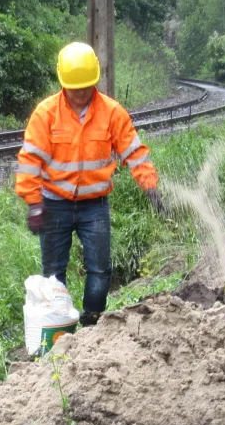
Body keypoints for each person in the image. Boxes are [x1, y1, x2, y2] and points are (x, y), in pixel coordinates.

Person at [15, 42, 167, 327]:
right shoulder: (46, 114)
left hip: (94, 207)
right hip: (54, 203)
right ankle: (57, 325)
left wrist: (150, 186)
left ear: (95, 81)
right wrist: (34, 203)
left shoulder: (111, 113)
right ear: (63, 84)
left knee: (100, 271)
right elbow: (30, 160)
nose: (81, 93)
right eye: (75, 88)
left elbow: (133, 151)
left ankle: (91, 322)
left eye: (86, 86)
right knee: (53, 274)